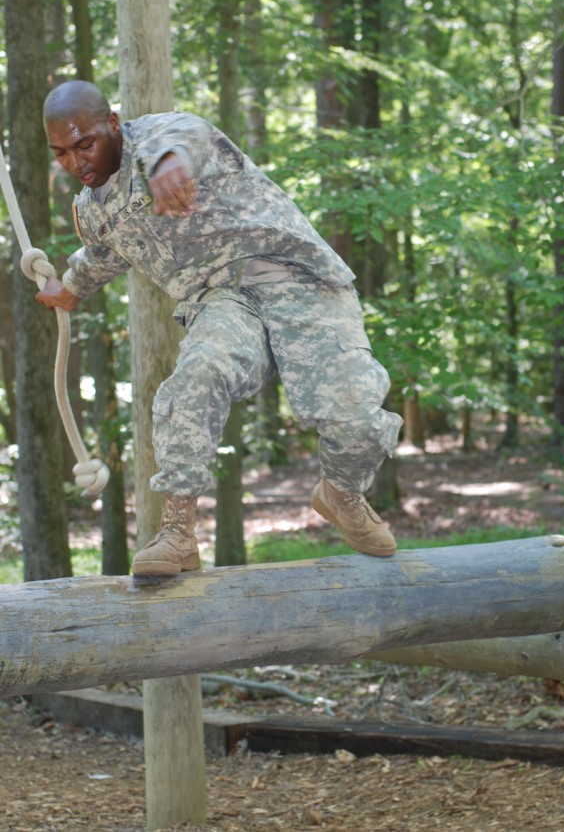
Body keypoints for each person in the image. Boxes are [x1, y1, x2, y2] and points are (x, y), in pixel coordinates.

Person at [37, 80, 402, 576]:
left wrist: (169, 164)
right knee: (198, 373)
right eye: (61, 153)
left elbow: (185, 135)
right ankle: (178, 532)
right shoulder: (91, 207)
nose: (75, 162)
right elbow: (104, 254)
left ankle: (340, 494)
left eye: (86, 144)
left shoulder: (161, 136)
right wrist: (70, 288)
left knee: (356, 414)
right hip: (222, 299)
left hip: (298, 277)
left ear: (114, 125)